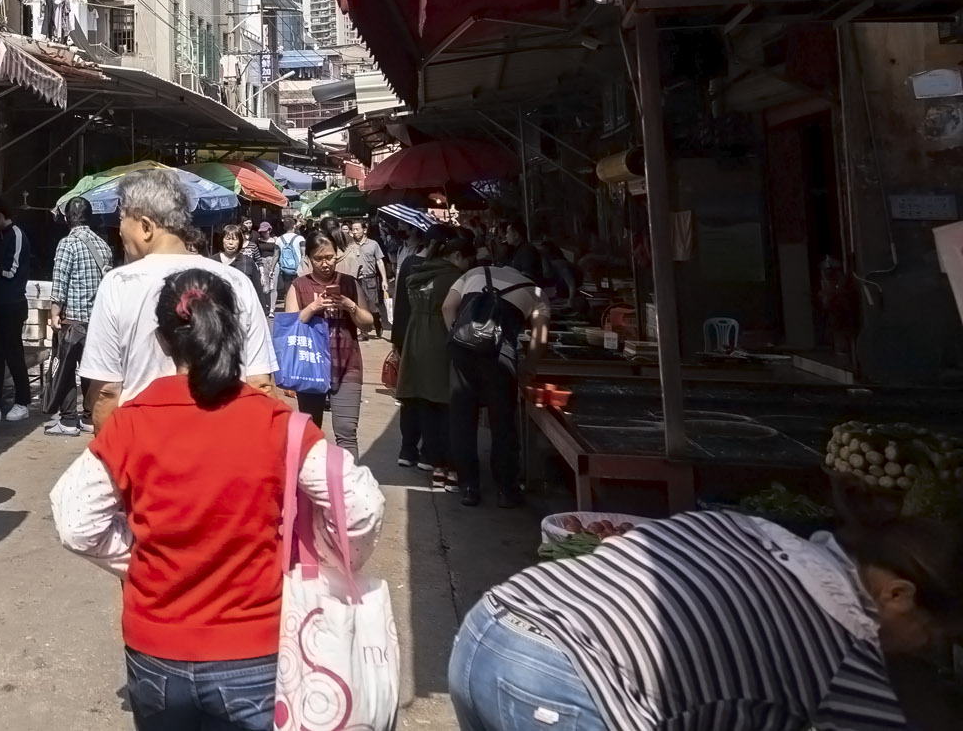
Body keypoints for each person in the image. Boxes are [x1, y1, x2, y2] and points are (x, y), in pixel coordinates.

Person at [52, 268, 385, 731]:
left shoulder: (131, 422)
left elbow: (75, 521)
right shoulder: (276, 423)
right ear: (237, 332)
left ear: (164, 341)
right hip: (255, 650)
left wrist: (142, 558)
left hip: (155, 651)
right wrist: (319, 560)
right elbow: (361, 505)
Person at [448, 507, 960, 731]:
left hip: (486, 632)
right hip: (559, 681)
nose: (923, 650)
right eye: (932, 636)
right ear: (898, 593)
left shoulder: (757, 530)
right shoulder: (848, 648)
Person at [78, 170, 279, 428]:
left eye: (121, 221)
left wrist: (110, 455)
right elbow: (261, 383)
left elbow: (107, 392)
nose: (119, 232)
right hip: (227, 444)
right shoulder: (236, 282)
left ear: (146, 227)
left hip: (144, 447)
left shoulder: (117, 284)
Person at [440, 247, 547, 507]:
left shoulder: (475, 271)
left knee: (462, 419)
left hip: (463, 352)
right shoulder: (536, 292)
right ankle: (506, 490)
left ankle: (469, 487)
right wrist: (528, 367)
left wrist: (459, 336)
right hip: (501, 357)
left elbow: (447, 307)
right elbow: (540, 337)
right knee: (502, 423)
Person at [392, 228, 470, 486]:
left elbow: (400, 305)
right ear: (457, 255)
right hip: (440, 339)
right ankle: (446, 463)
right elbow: (451, 309)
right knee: (447, 403)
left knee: (422, 400)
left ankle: (431, 460)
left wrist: (397, 340)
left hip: (415, 337)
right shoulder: (454, 277)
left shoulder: (416, 270)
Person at [282, 232, 374, 455]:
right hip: (311, 367)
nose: (325, 264)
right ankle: (314, 486)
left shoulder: (349, 284)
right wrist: (314, 307)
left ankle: (347, 487)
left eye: (330, 257)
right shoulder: (299, 285)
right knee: (310, 432)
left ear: (337, 256)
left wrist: (349, 305)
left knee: (346, 432)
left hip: (347, 366)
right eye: (318, 259)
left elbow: (368, 325)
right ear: (309, 259)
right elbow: (290, 326)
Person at [45, 198, 113, 437]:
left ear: (67, 218)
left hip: (72, 320)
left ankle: (68, 421)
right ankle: (89, 417)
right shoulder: (104, 246)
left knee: (65, 371)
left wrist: (54, 313)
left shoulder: (67, 243)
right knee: (91, 371)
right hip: (97, 322)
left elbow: (60, 281)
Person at [0, 198, 33, 422]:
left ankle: (23, 401)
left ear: (1, 215)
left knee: (14, 354)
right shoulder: (1, 237)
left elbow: (11, 271)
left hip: (13, 305)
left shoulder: (16, 235)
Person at [348, 219, 388, 337]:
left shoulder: (373, 244)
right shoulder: (350, 245)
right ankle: (364, 331)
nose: (355, 232)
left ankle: (377, 322)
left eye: (357, 229)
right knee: (359, 305)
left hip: (370, 279)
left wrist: (384, 280)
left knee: (373, 306)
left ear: (364, 230)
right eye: (353, 230)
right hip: (356, 280)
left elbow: (380, 262)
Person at [218, 224, 267, 311]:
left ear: (240, 241)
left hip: (242, 312)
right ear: (222, 240)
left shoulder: (247, 262)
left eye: (234, 239)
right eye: (227, 238)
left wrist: (262, 313)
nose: (230, 243)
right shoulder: (213, 261)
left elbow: (257, 291)